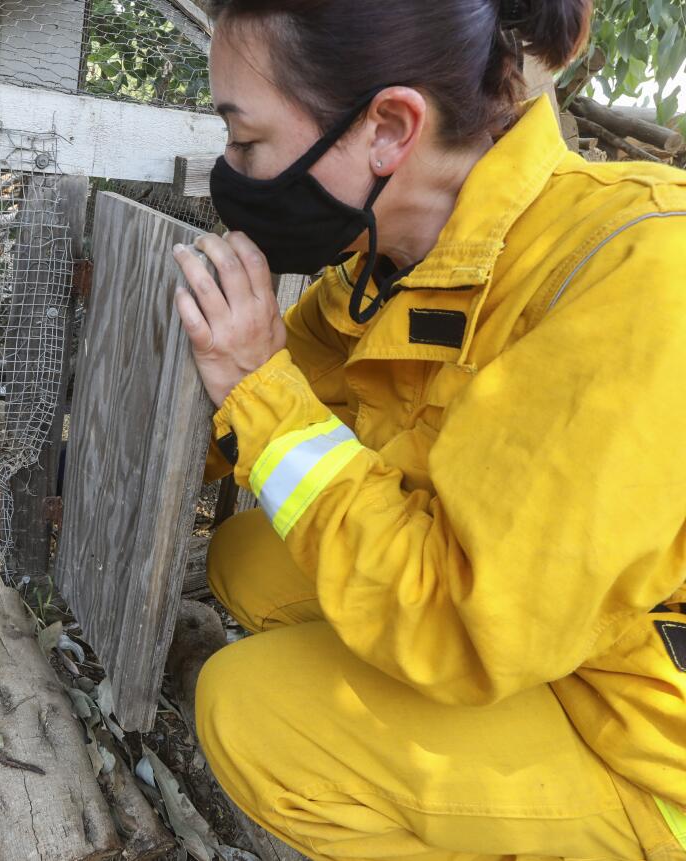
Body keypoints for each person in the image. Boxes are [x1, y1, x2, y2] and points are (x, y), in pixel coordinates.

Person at [170, 0, 686, 858]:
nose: (235, 171)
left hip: (644, 738)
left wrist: (263, 390)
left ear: (389, 128)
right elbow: (267, 403)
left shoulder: (640, 284)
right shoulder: (400, 256)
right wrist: (80, 478)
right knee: (246, 561)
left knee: (250, 714)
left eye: (249, 142)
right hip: (554, 639)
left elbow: (463, 621)